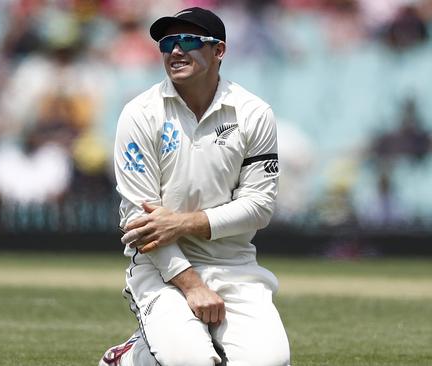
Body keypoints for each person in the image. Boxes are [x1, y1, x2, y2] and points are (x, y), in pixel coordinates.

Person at [100, 7, 290, 366]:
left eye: (188, 41)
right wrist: (191, 284)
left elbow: (260, 207)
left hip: (234, 264)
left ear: (219, 50)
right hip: (159, 268)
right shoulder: (140, 113)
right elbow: (138, 223)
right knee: (191, 362)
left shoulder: (252, 112)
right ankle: (130, 357)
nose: (175, 51)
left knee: (268, 362)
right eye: (168, 43)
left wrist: (183, 223)